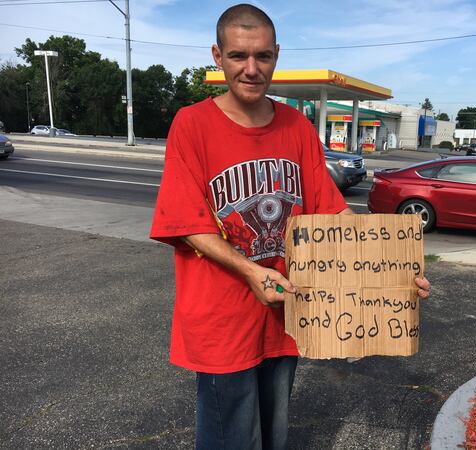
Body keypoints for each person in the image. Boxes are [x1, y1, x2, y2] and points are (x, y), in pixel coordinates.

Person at [150, 4, 431, 449]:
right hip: (222, 321)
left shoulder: (296, 127)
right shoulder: (192, 125)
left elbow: (335, 215)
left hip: (288, 314)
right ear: (217, 56)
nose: (251, 68)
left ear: (276, 55)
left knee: (274, 436)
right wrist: (252, 271)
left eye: (262, 56)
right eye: (239, 55)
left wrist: (392, 273)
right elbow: (186, 225)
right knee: (230, 439)